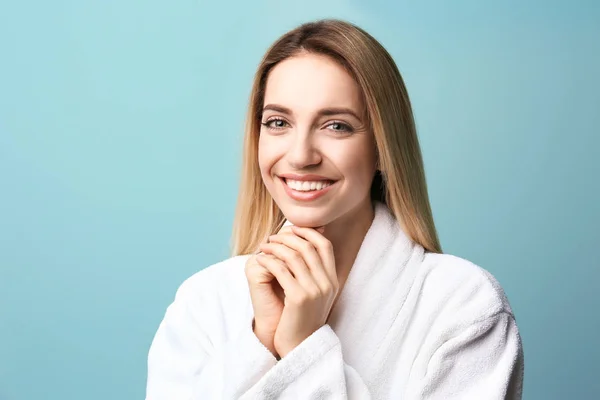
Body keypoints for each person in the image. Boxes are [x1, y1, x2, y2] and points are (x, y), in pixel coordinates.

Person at [145, 19, 524, 399]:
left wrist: (302, 346)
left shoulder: (464, 307)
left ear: (382, 146)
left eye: (337, 126)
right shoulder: (203, 304)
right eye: (278, 122)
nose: (300, 156)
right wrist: (262, 343)